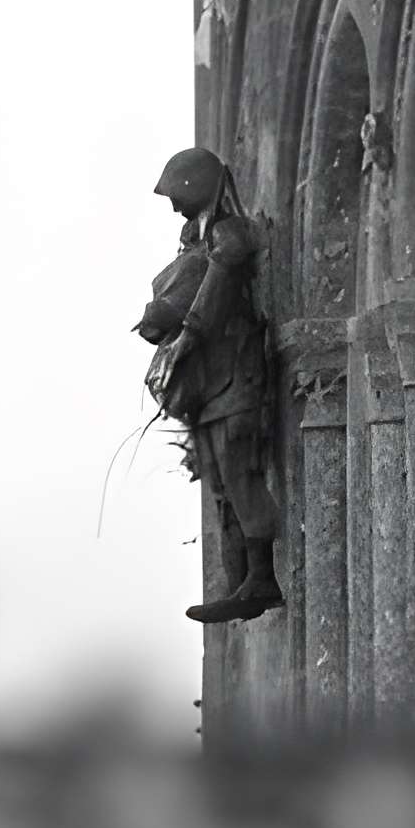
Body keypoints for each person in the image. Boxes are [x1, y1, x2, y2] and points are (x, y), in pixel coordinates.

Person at [137, 147, 280, 623]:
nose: (175, 206)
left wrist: (189, 334)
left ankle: (260, 577)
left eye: (179, 194)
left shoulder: (227, 234)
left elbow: (219, 283)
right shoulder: (197, 241)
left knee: (240, 474)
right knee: (221, 482)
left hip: (235, 375)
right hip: (212, 387)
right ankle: (243, 578)